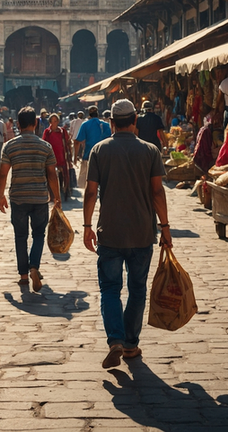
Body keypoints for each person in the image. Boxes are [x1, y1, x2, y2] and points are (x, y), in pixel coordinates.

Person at [82, 98, 172, 369]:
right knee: (137, 289)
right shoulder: (150, 150)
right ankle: (131, 344)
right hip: (142, 232)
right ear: (135, 122)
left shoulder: (99, 150)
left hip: (109, 232)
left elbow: (90, 191)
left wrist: (86, 226)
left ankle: (115, 341)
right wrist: (165, 227)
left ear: (111, 123)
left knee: (110, 289)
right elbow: (157, 191)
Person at [0, 107, 60, 292]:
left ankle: (24, 276)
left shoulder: (10, 146)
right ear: (35, 124)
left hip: (18, 198)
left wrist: (1, 195)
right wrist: (57, 197)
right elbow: (52, 174)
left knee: (20, 237)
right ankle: (34, 266)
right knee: (39, 234)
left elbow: (3, 173)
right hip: (40, 198)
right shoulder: (45, 146)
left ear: (18, 125)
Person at [75, 106, 111, 188]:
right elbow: (110, 138)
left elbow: (78, 141)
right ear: (98, 114)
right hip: (104, 156)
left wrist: (75, 157)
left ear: (89, 114)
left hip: (89, 156)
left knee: (88, 183)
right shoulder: (105, 125)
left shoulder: (85, 124)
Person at [43, 113, 73, 200]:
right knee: (51, 175)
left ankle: (64, 192)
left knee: (63, 176)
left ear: (58, 122)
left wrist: (70, 157)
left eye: (55, 121)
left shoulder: (62, 131)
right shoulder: (47, 132)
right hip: (51, 157)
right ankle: (52, 194)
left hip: (61, 156)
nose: (53, 123)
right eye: (52, 121)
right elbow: (44, 144)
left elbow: (68, 144)